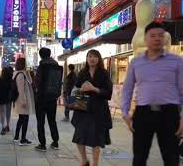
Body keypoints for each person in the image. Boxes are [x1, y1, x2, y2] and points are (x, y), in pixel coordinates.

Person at [122, 21, 183, 166]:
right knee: (139, 158)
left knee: (171, 158)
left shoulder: (177, 61)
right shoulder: (136, 63)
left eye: (160, 35)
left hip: (169, 114)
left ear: (165, 39)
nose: (157, 38)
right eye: (153, 35)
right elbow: (128, 88)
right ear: (145, 38)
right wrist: (125, 113)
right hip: (143, 114)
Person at [71, 50, 113, 166]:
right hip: (83, 109)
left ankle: (95, 164)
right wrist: (80, 89)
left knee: (96, 140)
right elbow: (75, 89)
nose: (92, 59)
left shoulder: (104, 73)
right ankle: (84, 161)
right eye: (90, 56)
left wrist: (94, 89)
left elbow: (108, 93)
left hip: (98, 111)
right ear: (87, 58)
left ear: (99, 59)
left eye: (95, 56)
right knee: (79, 138)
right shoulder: (82, 73)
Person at [34, 48, 62, 152]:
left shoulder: (42, 66)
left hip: (41, 97)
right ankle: (55, 142)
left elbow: (37, 81)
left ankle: (42, 144)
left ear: (41, 55)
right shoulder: (57, 66)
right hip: (52, 97)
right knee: (52, 121)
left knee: (40, 121)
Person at [13, 58, 34, 146]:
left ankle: (17, 137)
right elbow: (21, 90)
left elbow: (31, 81)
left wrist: (28, 73)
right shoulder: (21, 75)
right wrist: (23, 101)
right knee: (25, 119)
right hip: (23, 100)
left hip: (21, 100)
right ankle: (23, 139)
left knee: (21, 119)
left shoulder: (20, 74)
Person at [0, 67, 13, 135]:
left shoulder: (0, 79)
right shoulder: (11, 80)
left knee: (2, 113)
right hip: (9, 98)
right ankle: (7, 125)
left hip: (2, 98)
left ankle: (3, 127)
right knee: (8, 112)